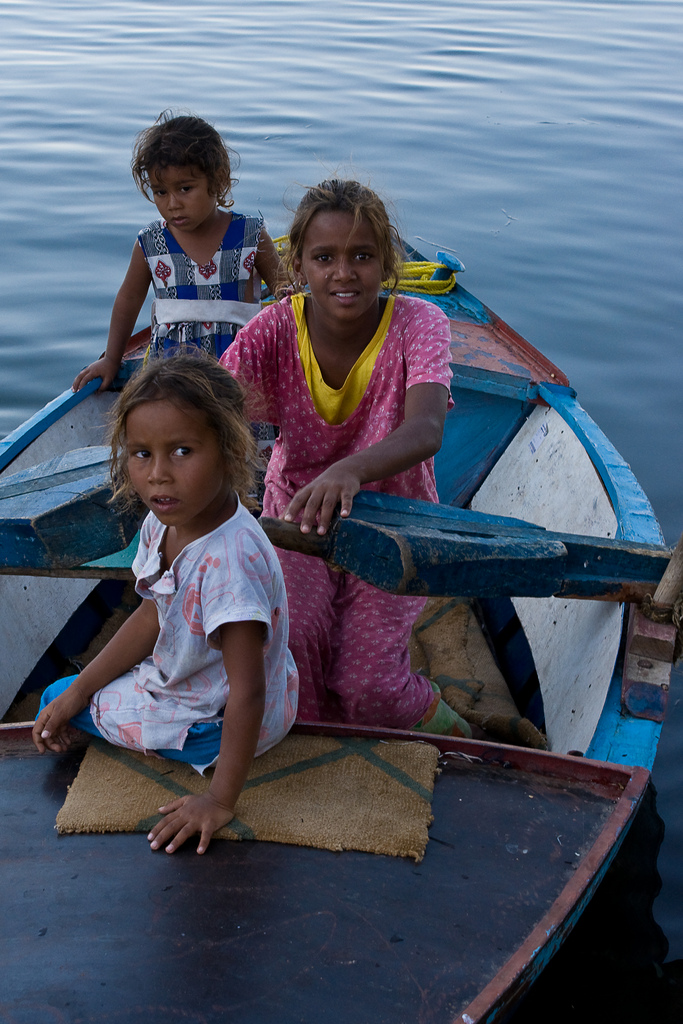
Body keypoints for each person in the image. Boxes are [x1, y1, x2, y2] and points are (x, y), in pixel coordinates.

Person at [221, 178, 471, 738]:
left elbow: (426, 428)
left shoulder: (418, 322)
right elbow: (212, 404)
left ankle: (460, 730)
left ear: (386, 263)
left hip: (395, 520)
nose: (343, 272)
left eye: (362, 256)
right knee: (292, 661)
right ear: (298, 269)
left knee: (369, 687)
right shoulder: (276, 327)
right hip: (295, 517)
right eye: (324, 257)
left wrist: (348, 470)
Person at [34, 355, 298, 854]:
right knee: (69, 695)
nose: (158, 476)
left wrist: (219, 801)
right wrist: (82, 689)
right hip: (230, 694)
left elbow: (248, 692)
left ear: (229, 450)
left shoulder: (229, 565)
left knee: (51, 700)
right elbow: (154, 614)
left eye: (181, 451)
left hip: (220, 725)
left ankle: (199, 757)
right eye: (141, 454)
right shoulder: (167, 520)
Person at [73, 111, 281, 392]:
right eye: (160, 192)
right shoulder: (151, 242)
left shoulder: (251, 236)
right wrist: (111, 358)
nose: (173, 203)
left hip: (241, 371)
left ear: (217, 181)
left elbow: (285, 295)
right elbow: (129, 298)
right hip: (173, 374)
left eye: (185, 188)